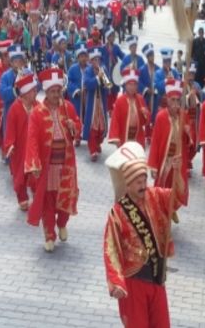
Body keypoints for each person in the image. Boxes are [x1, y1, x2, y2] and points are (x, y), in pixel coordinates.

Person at [102, 141, 186, 328]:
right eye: (138, 182)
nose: (143, 185)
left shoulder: (155, 196)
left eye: (144, 180)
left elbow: (178, 199)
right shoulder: (118, 213)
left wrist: (178, 172)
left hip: (157, 277)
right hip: (134, 282)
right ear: (128, 184)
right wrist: (116, 282)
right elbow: (111, 249)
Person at [24, 68, 82, 253]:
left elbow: (78, 128)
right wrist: (34, 163)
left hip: (66, 164)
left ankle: (62, 222)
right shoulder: (37, 113)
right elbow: (32, 138)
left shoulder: (68, 108)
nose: (56, 95)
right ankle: (49, 234)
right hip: (47, 165)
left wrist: (74, 127)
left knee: (65, 196)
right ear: (46, 92)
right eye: (52, 91)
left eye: (58, 91)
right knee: (48, 200)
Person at [147, 79, 190, 206]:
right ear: (167, 100)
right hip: (164, 160)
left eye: (178, 100)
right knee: (162, 188)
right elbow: (155, 142)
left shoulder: (183, 116)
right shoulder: (161, 117)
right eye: (173, 100)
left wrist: (188, 133)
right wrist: (153, 166)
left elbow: (188, 142)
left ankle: (171, 208)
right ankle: (163, 209)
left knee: (177, 188)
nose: (175, 104)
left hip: (177, 161)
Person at [4, 70, 38, 211]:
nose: (35, 93)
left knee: (36, 172)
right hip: (19, 148)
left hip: (34, 148)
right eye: (32, 91)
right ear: (24, 93)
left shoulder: (38, 106)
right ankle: (22, 197)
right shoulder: (15, 109)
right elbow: (10, 129)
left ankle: (37, 194)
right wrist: (10, 145)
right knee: (20, 174)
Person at [108, 68, 149, 148]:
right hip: (124, 137)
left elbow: (145, 121)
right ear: (125, 85)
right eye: (130, 84)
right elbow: (115, 120)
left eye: (135, 84)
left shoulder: (140, 99)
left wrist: (145, 114)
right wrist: (116, 138)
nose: (132, 87)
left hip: (137, 138)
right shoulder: (120, 101)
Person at [83, 48, 110, 162]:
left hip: (101, 104)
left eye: (98, 60)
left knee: (101, 127)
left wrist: (104, 81)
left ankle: (98, 143)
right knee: (92, 127)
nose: (96, 62)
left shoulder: (103, 70)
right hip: (92, 104)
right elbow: (88, 84)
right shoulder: (88, 71)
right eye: (94, 60)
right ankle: (92, 150)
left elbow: (108, 86)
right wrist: (97, 79)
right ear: (91, 61)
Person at [66, 44, 90, 144]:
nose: (83, 58)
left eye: (85, 56)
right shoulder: (72, 69)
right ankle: (77, 136)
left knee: (88, 116)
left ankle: (89, 136)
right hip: (78, 98)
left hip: (88, 97)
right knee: (77, 116)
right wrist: (76, 90)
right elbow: (69, 82)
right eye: (81, 56)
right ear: (78, 57)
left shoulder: (91, 68)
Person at [101, 28, 125, 111]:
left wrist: (128, 60)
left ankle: (114, 108)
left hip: (114, 73)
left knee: (114, 91)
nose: (113, 38)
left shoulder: (116, 47)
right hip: (105, 73)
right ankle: (107, 109)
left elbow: (122, 56)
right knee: (107, 90)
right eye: (111, 36)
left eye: (114, 36)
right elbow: (100, 60)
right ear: (107, 37)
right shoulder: (103, 48)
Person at [139, 44, 163, 127]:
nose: (152, 57)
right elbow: (139, 83)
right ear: (147, 57)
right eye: (150, 56)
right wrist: (146, 89)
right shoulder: (142, 69)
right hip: (146, 97)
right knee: (147, 116)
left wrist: (156, 90)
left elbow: (161, 82)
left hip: (156, 97)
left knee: (156, 115)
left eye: (153, 55)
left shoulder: (158, 69)